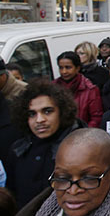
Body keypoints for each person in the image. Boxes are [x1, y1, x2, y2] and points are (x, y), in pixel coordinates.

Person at [6, 80, 83, 208]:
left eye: (47, 111)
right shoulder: (18, 150)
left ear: (62, 112)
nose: (40, 120)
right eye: (32, 114)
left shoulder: (80, 148)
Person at [53, 51, 103, 128]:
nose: (64, 71)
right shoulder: (53, 87)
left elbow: (96, 118)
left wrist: (83, 135)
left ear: (77, 68)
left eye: (68, 67)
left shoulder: (90, 89)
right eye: (61, 68)